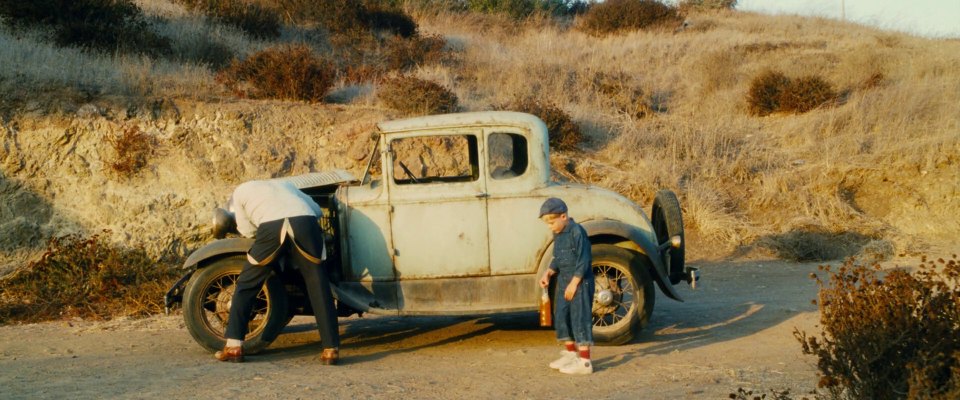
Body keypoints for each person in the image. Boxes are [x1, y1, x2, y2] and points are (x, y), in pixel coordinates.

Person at [214, 178, 341, 365]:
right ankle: (331, 349)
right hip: (305, 224)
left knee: (247, 283)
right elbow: (315, 210)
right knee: (318, 283)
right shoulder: (287, 185)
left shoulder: (240, 191)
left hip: (271, 227)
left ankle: (234, 347)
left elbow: (246, 230)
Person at [538, 197, 595, 375]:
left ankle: (585, 362)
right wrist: (548, 272)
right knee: (561, 316)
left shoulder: (577, 232)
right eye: (547, 223)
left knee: (580, 318)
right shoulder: (558, 233)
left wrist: (574, 283)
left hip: (580, 282)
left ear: (563, 216)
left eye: (552, 222)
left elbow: (584, 260)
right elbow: (558, 257)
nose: (550, 226)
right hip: (564, 280)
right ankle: (571, 354)